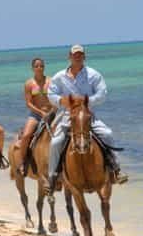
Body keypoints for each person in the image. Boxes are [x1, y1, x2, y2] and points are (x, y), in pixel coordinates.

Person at [46, 44, 128, 193]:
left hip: (87, 115)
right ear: (69, 57)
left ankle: (116, 170)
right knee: (55, 142)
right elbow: (51, 94)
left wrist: (87, 100)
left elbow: (102, 94)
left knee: (107, 134)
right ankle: (52, 178)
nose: (77, 57)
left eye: (80, 55)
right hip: (67, 116)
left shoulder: (93, 75)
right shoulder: (59, 77)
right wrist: (61, 101)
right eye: (74, 55)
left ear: (84, 57)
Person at [16, 58, 55, 175]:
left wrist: (52, 111)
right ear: (32, 68)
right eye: (37, 66)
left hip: (52, 114)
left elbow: (55, 99)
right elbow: (28, 103)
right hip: (36, 115)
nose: (39, 68)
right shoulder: (29, 84)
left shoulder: (51, 81)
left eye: (41, 66)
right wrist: (41, 113)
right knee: (27, 135)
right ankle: (22, 162)